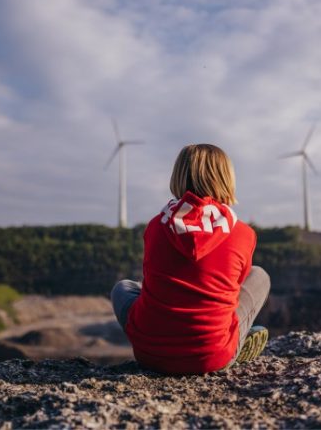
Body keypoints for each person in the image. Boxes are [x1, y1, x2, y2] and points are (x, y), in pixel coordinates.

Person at [111, 144, 270, 375]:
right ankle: (236, 340)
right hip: (211, 357)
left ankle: (171, 336)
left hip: (150, 355)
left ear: (178, 175)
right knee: (259, 276)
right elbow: (235, 287)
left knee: (123, 288)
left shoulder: (155, 226)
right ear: (226, 179)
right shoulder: (243, 233)